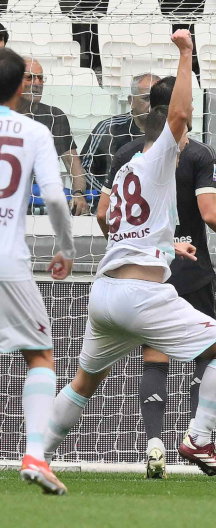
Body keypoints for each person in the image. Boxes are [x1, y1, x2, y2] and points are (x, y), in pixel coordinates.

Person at [42, 30, 216, 484]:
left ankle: (37, 454)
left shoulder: (129, 166)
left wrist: (168, 245)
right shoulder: (158, 158)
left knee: (83, 382)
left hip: (106, 292)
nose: (185, 137)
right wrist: (186, 53)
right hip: (141, 295)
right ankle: (198, 438)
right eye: (180, 135)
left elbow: (118, 222)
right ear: (171, 137)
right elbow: (180, 112)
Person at [95, 74, 216, 478]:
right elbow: (210, 213)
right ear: (183, 107)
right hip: (188, 267)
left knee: (154, 360)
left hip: (140, 269)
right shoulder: (196, 154)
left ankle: (154, 443)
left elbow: (104, 214)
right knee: (209, 353)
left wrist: (130, 244)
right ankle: (198, 440)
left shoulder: (126, 152)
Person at [0, 47, 75, 495]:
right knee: (40, 355)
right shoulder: (33, 130)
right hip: (8, 262)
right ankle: (33, 455)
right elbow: (54, 197)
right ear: (20, 86)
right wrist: (65, 248)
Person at [16, 58, 88, 216]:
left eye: (41, 78)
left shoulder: (55, 116)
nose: (37, 83)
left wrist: (78, 193)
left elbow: (72, 161)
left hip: (42, 200)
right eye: (30, 77)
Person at [81, 73, 160, 194]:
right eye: (147, 98)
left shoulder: (169, 132)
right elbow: (83, 169)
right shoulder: (109, 128)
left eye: (157, 99)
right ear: (131, 101)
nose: (153, 104)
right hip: (110, 202)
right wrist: (110, 193)